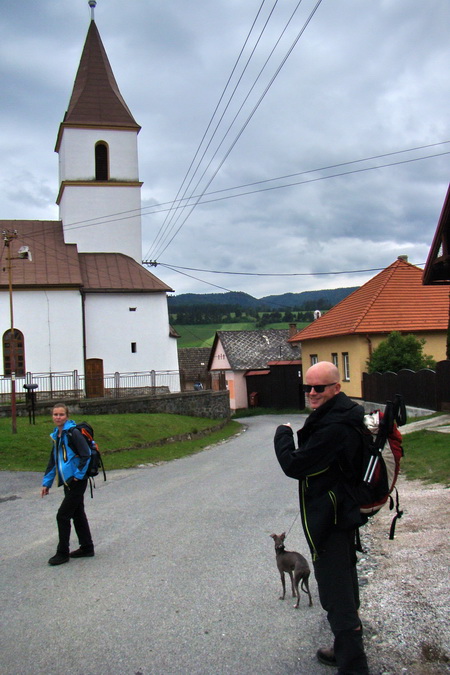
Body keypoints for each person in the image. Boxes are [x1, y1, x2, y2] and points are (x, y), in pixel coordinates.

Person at [274, 361, 369, 675]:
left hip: (332, 517)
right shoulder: (341, 415)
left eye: (320, 388)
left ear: (336, 388)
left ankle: (353, 666)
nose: (312, 393)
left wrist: (282, 435)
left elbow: (294, 466)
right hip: (342, 512)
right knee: (343, 582)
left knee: (334, 590)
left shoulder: (335, 426)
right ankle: (343, 650)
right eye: (308, 388)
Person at [41, 403, 95, 565]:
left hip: (76, 481)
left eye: (61, 414)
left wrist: (78, 475)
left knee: (62, 515)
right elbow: (53, 461)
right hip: (67, 481)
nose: (58, 417)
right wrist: (47, 483)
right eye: (55, 414)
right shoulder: (57, 435)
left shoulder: (73, 433)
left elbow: (86, 454)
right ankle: (87, 547)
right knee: (77, 513)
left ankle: (62, 552)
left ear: (67, 416)